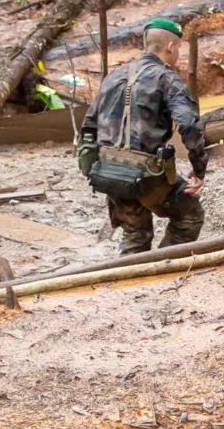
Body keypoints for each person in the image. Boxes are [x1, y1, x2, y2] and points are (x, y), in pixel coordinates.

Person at [79, 16, 209, 254]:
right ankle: (162, 266)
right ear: (171, 47)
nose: (178, 52)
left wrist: (91, 167)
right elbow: (189, 123)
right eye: (178, 47)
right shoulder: (167, 79)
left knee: (135, 234)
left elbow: (88, 126)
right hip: (147, 175)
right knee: (190, 215)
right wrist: (199, 167)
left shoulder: (113, 77)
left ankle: (128, 280)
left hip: (108, 172)